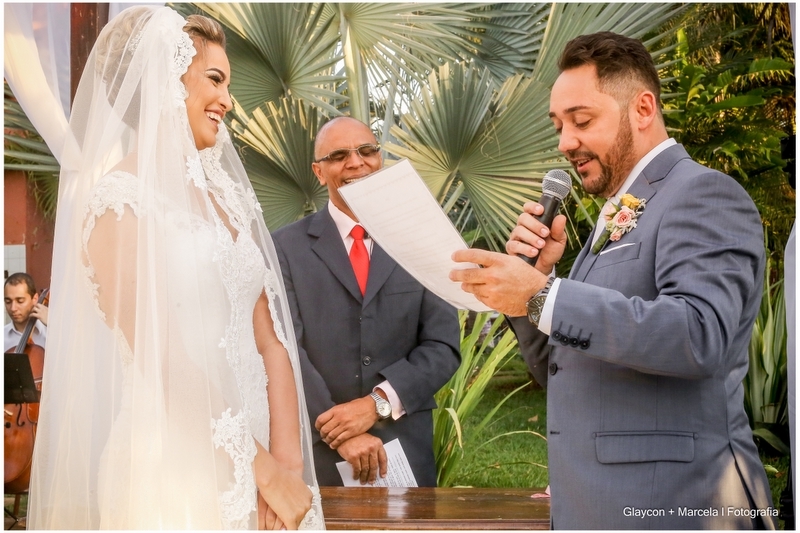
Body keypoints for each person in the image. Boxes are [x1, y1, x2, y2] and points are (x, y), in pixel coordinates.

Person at [450, 32, 775, 529]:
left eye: (582, 121)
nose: (565, 142)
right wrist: (536, 286)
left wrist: (544, 295)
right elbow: (560, 368)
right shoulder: (617, 213)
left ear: (642, 109)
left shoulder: (703, 192)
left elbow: (699, 335)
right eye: (559, 125)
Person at [27, 7, 323, 529]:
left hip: (268, 461)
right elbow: (162, 360)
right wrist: (261, 472)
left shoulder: (227, 200)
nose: (228, 101)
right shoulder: (117, 205)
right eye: (215, 80)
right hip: (174, 469)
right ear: (166, 78)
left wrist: (288, 465)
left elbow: (271, 339)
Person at [272, 116, 461, 487]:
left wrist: (374, 404)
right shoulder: (284, 247)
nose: (356, 163)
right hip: (319, 453)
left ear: (379, 158)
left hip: (406, 448)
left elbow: (442, 346)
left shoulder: (423, 238)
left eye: (367, 151)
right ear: (318, 171)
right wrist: (340, 431)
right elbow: (285, 348)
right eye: (339, 155)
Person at [4, 272, 48, 352]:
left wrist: (53, 325)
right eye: (8, 302)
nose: (13, 308)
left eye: (20, 301)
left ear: (35, 299)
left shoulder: (49, 332)